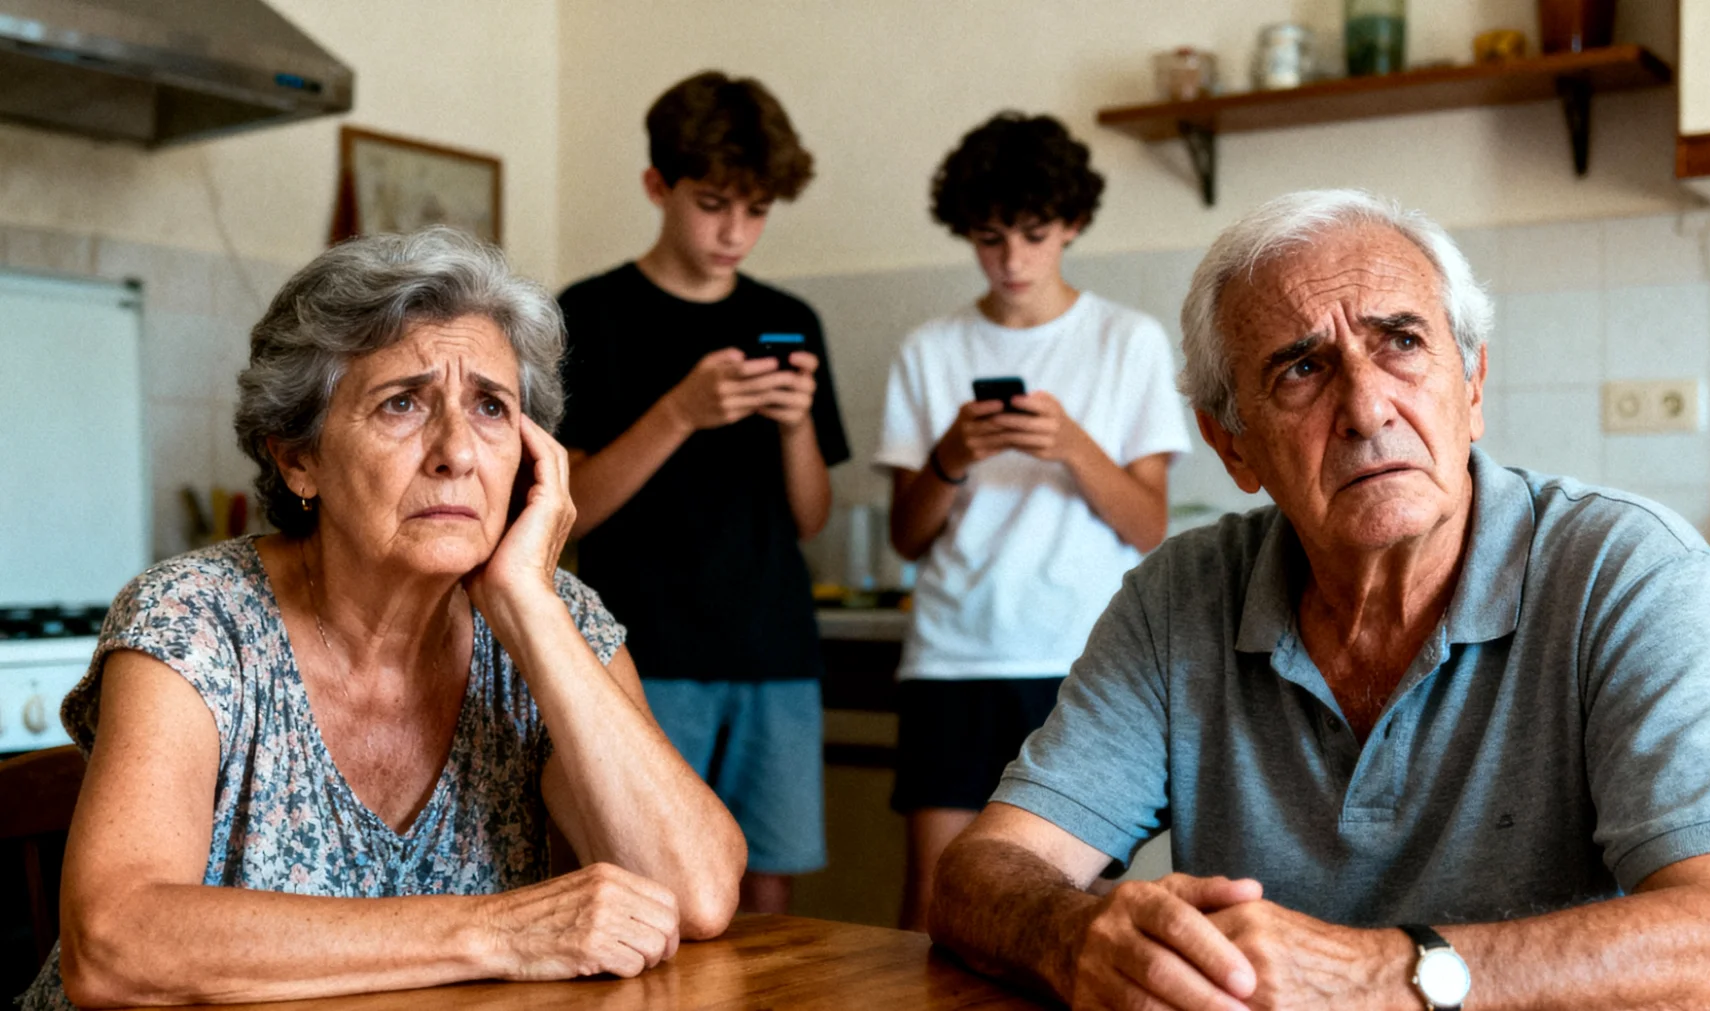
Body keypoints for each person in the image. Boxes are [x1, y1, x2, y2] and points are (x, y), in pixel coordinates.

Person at [929, 189, 1710, 1010]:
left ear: (1473, 384)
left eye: (1403, 343)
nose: (1367, 408)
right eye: (1302, 368)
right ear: (1232, 446)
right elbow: (978, 872)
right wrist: (1078, 935)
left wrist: (1379, 976)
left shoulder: (1624, 568)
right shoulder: (1181, 596)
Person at [21, 228, 745, 1011]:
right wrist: (495, 931)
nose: (457, 451)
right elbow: (114, 945)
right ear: (298, 459)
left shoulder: (552, 618)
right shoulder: (196, 616)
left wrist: (530, 607)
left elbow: (697, 895)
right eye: (402, 403)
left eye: (491, 407)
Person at [874, 112, 1192, 931]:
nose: (1012, 260)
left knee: (1070, 908)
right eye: (989, 239)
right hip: (951, 657)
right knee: (933, 901)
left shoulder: (1127, 340)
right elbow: (905, 536)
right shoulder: (930, 348)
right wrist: (951, 454)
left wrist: (1073, 445)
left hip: (1082, 660)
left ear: (1072, 223)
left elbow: (1148, 524)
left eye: (1033, 235)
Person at [556, 70, 849, 916]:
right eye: (713, 204)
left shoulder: (790, 318)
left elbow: (811, 518)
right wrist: (679, 413)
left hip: (774, 652)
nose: (735, 232)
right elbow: (567, 511)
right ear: (658, 185)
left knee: (769, 888)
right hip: (638, 655)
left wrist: (794, 425)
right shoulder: (590, 314)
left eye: (756, 211)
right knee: (642, 885)